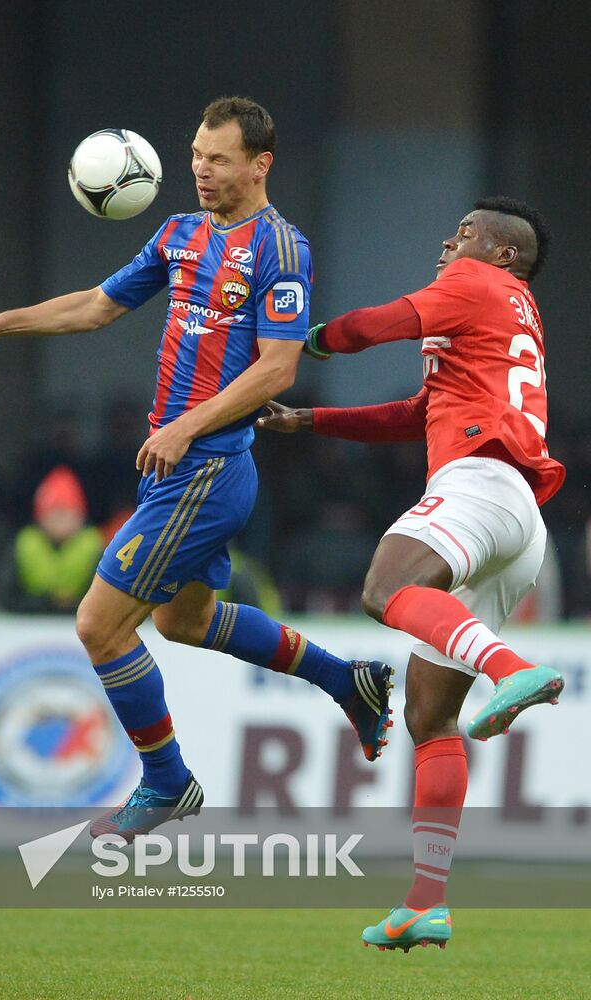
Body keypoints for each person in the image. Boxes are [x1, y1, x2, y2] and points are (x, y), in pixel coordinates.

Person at [0, 97, 392, 839]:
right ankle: (349, 680)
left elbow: (276, 372)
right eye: (195, 157)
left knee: (99, 627)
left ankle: (169, 781)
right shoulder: (179, 233)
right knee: (184, 620)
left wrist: (185, 425)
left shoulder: (282, 249)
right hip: (176, 465)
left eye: (218, 159)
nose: (201, 172)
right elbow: (96, 307)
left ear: (259, 164)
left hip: (206, 467)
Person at [258, 197, 565, 951]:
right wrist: (311, 422)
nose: (447, 240)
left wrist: (304, 342)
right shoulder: (506, 313)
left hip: (477, 484)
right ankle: (427, 902)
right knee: (430, 719)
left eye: (464, 232)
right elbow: (413, 411)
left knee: (384, 590)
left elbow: (376, 325)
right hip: (518, 517)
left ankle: (512, 667)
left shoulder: (478, 286)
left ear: (500, 253)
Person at [0, 466, 104, 614]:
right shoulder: (25, 543)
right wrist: (47, 603)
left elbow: (105, 598)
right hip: (28, 624)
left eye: (67, 512)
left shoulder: (94, 545)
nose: (60, 521)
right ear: (40, 517)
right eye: (54, 512)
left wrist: (70, 605)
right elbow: (5, 595)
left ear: (80, 517)